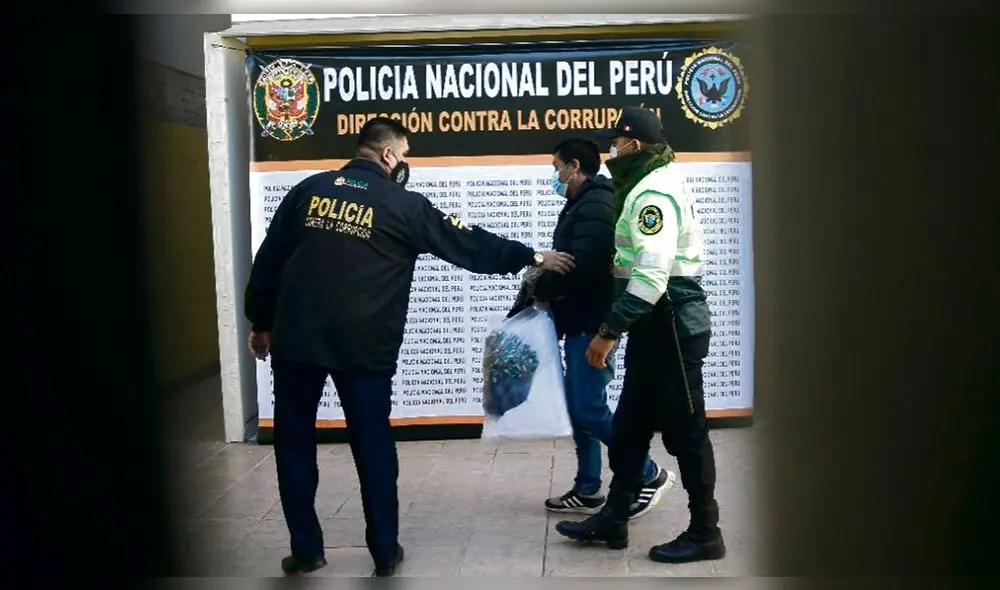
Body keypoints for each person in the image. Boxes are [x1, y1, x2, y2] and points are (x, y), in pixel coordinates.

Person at [244, 116, 575, 577]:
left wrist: (261, 323)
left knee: (294, 443)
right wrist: (532, 255)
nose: (406, 164)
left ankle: (306, 551)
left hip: (297, 339)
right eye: (405, 155)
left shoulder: (307, 191)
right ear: (387, 156)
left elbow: (269, 260)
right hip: (364, 345)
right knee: (373, 444)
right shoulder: (403, 205)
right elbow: (468, 243)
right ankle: (383, 552)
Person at [554, 106, 726, 564]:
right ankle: (614, 517)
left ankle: (706, 531)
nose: (612, 149)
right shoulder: (644, 183)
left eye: (617, 141)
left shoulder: (652, 191)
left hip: (669, 328)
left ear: (634, 144)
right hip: (653, 330)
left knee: (687, 434)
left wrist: (607, 333)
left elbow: (651, 277)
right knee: (628, 428)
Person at [507, 137, 675, 520]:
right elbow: (564, 262)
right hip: (580, 320)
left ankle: (649, 473)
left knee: (589, 409)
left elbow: (579, 267)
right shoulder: (581, 204)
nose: (554, 175)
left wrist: (542, 282)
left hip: (593, 323)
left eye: (556, 167)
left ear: (575, 167)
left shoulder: (596, 203)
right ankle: (587, 488)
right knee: (578, 407)